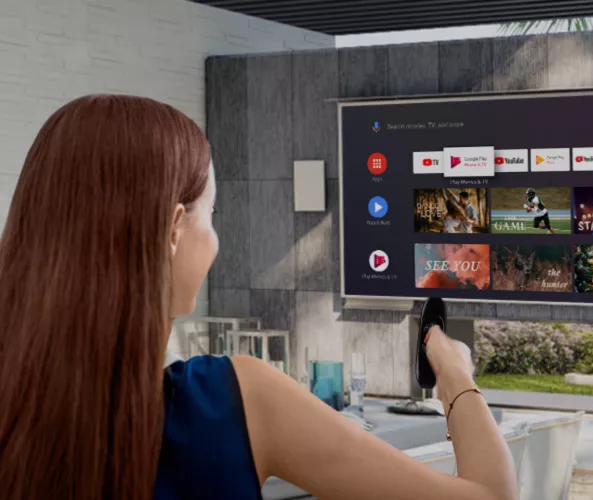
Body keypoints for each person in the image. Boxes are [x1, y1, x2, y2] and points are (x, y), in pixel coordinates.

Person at [0, 95, 518, 500]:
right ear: (173, 230)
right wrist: (453, 372)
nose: (215, 240)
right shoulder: (230, 398)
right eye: (212, 215)